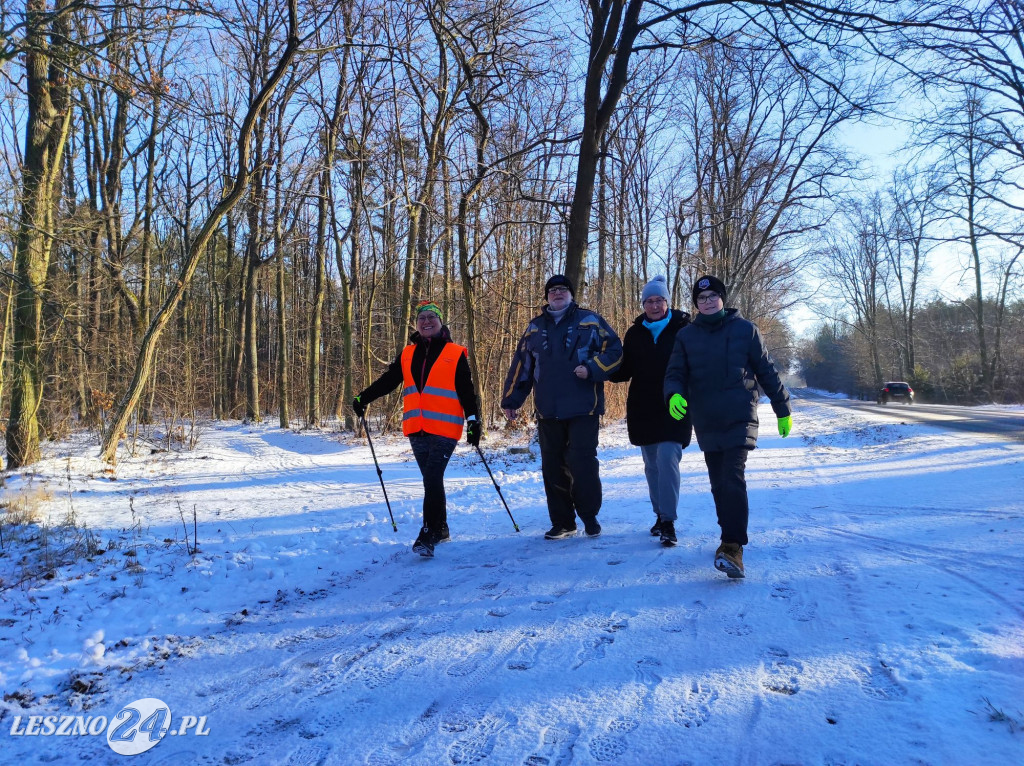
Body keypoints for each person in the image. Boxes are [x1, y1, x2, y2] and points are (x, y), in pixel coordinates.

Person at [663, 275, 792, 578]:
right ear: (696, 304)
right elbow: (675, 373)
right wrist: (674, 394)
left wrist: (782, 406)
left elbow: (766, 371)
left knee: (732, 477)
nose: (707, 302)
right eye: (701, 298)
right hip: (706, 419)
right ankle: (728, 535)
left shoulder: (745, 330)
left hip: (739, 415)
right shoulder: (686, 336)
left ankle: (733, 545)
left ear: (722, 298)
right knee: (718, 483)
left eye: (712, 296)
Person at [353, 301, 481, 557]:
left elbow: (467, 390)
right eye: (422, 318)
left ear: (441, 322)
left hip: (445, 427)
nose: (426, 321)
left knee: (432, 478)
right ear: (417, 324)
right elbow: (388, 381)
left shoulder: (455, 353)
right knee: (431, 481)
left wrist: (474, 420)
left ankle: (428, 533)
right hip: (417, 428)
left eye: (431, 317)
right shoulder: (408, 353)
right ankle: (441, 527)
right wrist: (363, 398)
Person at [501, 274, 623, 540]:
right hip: (548, 409)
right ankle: (563, 522)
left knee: (582, 464)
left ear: (571, 294)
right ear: (547, 296)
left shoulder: (589, 321)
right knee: (553, 467)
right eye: (553, 290)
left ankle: (589, 516)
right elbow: (522, 366)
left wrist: (592, 368)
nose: (558, 293)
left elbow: (615, 351)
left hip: (583, 408)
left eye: (563, 289)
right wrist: (512, 400)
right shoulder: (534, 328)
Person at [609, 276, 692, 546]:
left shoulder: (684, 329)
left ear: (667, 301)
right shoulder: (635, 333)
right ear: (643, 304)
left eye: (659, 300)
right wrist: (600, 367)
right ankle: (659, 515)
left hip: (674, 405)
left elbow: (696, 365)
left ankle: (668, 521)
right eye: (649, 301)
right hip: (643, 407)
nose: (654, 305)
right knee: (652, 466)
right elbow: (625, 370)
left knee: (668, 459)